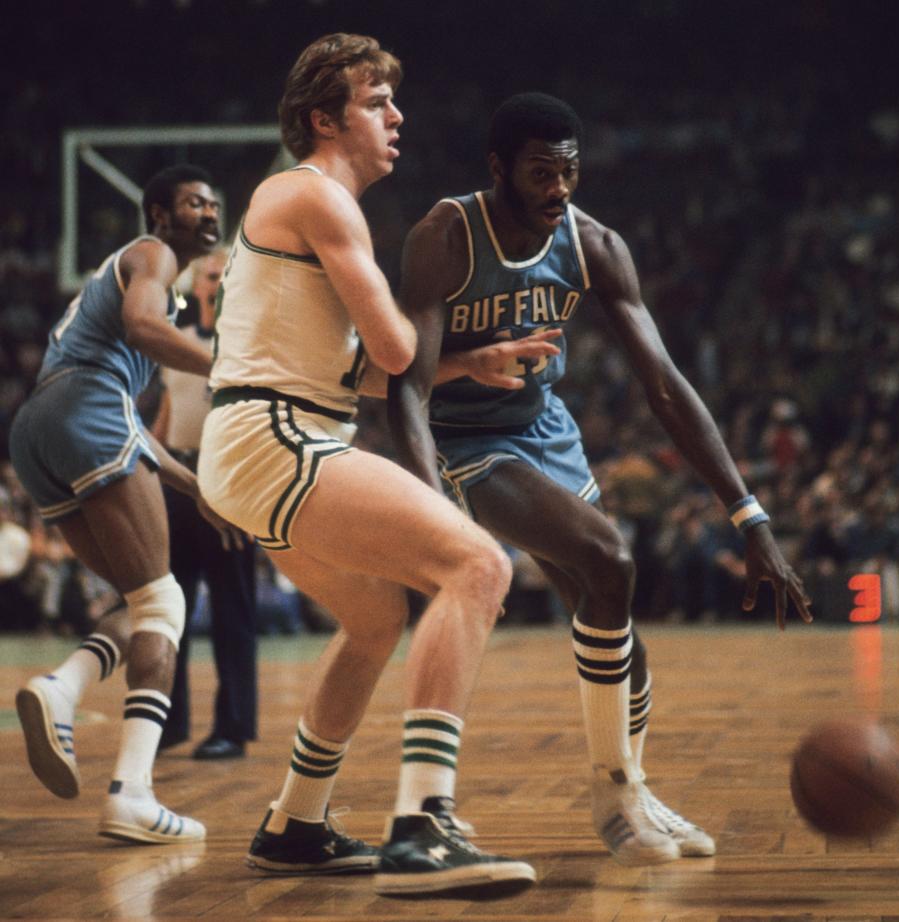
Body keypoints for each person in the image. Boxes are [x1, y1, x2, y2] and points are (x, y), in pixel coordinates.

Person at [387, 92, 814, 867]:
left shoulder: (595, 245)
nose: (557, 188)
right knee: (612, 560)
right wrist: (427, 502)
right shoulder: (445, 236)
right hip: (461, 439)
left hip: (543, 432)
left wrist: (749, 515)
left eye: (569, 172)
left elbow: (666, 385)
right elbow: (406, 385)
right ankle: (614, 802)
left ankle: (636, 786)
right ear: (498, 169)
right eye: (540, 172)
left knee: (626, 647)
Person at [197, 35, 559, 898]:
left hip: (262, 436)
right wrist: (430, 310)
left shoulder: (301, 205)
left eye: (395, 100)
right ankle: (423, 825)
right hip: (278, 438)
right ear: (325, 118)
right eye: (375, 101)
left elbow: (351, 368)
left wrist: (466, 362)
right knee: (476, 565)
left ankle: (294, 824)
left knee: (373, 618)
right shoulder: (317, 196)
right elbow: (397, 351)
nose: (397, 116)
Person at [10, 164, 244, 843]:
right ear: (158, 214)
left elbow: (130, 426)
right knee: (166, 603)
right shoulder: (153, 256)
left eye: (212, 202)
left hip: (40, 430)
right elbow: (142, 329)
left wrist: (196, 488)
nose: (207, 211)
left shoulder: (131, 286)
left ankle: (64, 687)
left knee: (143, 605)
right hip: (83, 411)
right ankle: (131, 794)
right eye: (194, 202)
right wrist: (222, 365)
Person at [152, 247, 258, 760]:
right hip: (176, 476)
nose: (219, 281)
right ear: (197, 286)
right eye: (213, 274)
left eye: (227, 275)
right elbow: (169, 413)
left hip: (228, 480)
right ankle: (169, 725)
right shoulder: (179, 345)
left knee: (233, 609)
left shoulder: (248, 345)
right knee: (171, 607)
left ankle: (233, 727)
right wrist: (151, 477)